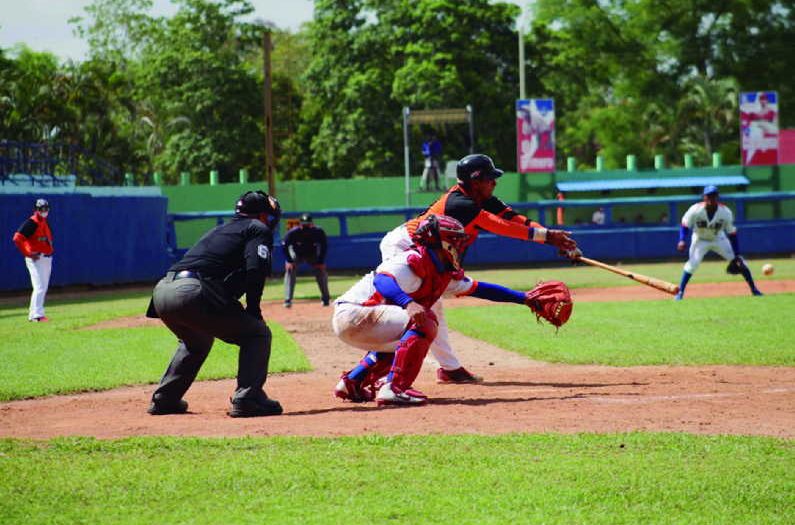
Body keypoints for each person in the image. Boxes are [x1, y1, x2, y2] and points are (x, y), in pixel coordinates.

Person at [379, 153, 579, 384]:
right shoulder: (460, 203)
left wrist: (554, 238)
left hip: (431, 254)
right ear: (475, 181)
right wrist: (547, 237)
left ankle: (449, 369)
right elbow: (499, 226)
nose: (494, 182)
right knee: (413, 309)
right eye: (489, 178)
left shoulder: (482, 197)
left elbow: (516, 220)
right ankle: (383, 370)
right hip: (406, 247)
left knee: (434, 308)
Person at [333, 215, 572, 406]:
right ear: (442, 242)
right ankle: (395, 388)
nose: (460, 246)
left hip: (361, 321)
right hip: (355, 314)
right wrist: (408, 303)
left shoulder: (441, 271)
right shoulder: (411, 259)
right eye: (456, 241)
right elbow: (383, 281)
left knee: (404, 341)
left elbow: (481, 289)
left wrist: (525, 299)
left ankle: (353, 382)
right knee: (425, 321)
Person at [145, 190, 284, 417]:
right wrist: (254, 310)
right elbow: (255, 268)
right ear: (264, 215)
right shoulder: (257, 229)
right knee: (257, 334)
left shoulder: (221, 228)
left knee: (195, 341)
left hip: (163, 291)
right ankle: (248, 398)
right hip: (191, 291)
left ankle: (165, 399)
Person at [675, 185, 762, 300]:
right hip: (700, 239)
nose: (711, 198)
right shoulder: (695, 210)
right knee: (692, 264)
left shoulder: (725, 212)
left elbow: (732, 234)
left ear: (717, 197)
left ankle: (754, 290)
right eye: (709, 196)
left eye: (714, 196)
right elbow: (685, 225)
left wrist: (737, 255)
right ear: (704, 197)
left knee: (741, 263)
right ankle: (680, 293)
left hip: (718, 238)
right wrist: (682, 240)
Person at [12, 198, 54, 322]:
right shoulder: (32, 222)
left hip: (45, 258)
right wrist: (28, 253)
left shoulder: (44, 222)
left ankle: (36, 313)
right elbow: (17, 238)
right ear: (36, 210)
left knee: (43, 286)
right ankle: (36, 315)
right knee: (39, 286)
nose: (44, 211)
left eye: (46, 208)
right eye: (41, 209)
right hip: (36, 258)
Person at [282, 213, 330, 307]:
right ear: (300, 224)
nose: (306, 226)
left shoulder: (318, 231)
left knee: (321, 271)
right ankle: (288, 300)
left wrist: (320, 262)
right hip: (296, 253)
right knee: (290, 270)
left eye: (308, 224)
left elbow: (324, 246)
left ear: (312, 224)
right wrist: (289, 261)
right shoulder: (293, 232)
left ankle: (326, 299)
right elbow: (285, 246)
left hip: (312, 254)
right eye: (304, 224)